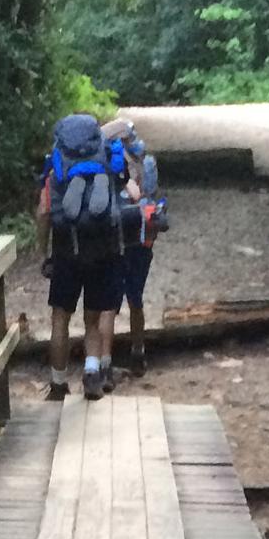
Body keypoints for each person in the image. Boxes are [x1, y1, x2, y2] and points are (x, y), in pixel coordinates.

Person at [36, 112, 130, 401]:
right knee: (93, 317)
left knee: (60, 317)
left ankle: (58, 383)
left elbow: (43, 212)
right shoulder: (106, 160)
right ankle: (91, 374)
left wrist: (44, 252)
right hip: (104, 247)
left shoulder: (57, 169)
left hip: (67, 248)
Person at [107, 123, 169, 376]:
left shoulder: (108, 162)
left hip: (116, 240)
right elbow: (150, 195)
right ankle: (138, 352)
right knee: (135, 299)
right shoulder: (148, 161)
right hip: (143, 239)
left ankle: (104, 360)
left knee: (109, 303)